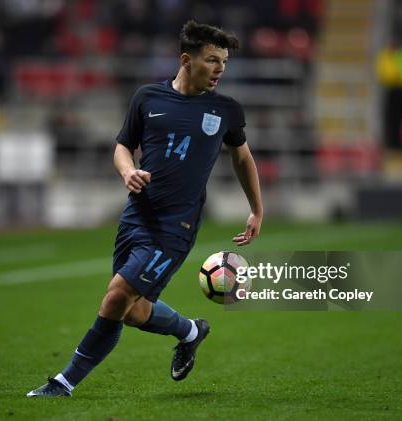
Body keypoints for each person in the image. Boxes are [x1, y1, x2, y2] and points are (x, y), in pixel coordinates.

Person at [27, 20, 264, 397]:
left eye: (224, 62)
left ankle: (64, 382)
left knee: (116, 295)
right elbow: (122, 146)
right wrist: (127, 171)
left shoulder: (226, 110)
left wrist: (256, 210)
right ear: (187, 60)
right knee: (133, 310)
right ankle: (190, 331)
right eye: (212, 60)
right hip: (135, 217)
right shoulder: (147, 98)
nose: (220, 69)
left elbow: (243, 158)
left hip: (176, 226)